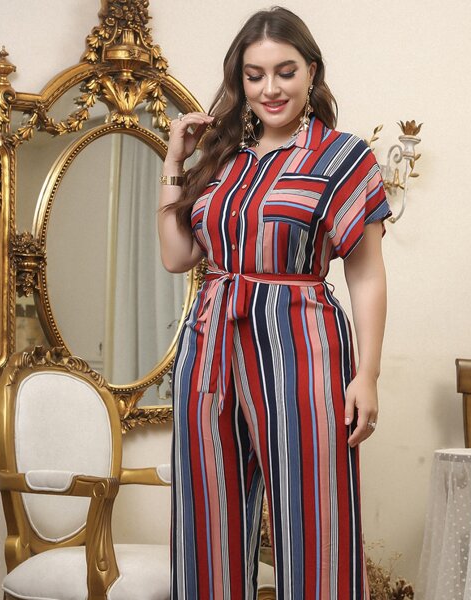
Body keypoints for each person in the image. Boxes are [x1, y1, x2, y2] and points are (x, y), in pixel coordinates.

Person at [157, 6, 391, 599]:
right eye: (254, 75)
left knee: (315, 519)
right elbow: (178, 257)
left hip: (300, 345)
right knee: (206, 518)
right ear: (240, 80)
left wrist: (367, 374)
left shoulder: (342, 157)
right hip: (209, 343)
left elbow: (366, 274)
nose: (270, 89)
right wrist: (175, 162)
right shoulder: (222, 157)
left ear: (311, 71)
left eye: (285, 72)